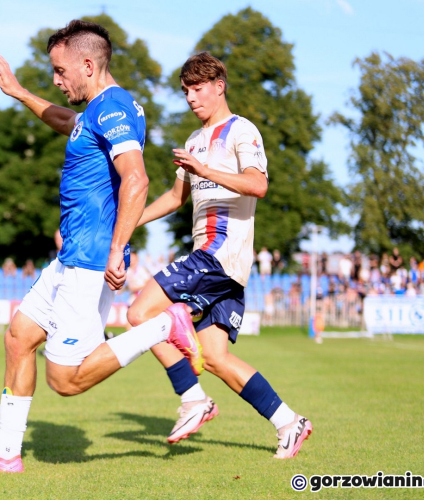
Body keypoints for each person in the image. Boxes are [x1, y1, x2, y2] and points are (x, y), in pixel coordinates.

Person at [0, 20, 197, 473]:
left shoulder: (114, 108)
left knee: (65, 381)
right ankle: (6, 455)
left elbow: (138, 178)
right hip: (71, 257)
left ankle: (163, 326)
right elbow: (67, 122)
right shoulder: (94, 112)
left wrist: (116, 250)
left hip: (90, 260)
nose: (55, 79)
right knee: (19, 337)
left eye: (59, 70)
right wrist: (21, 93)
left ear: (88, 64)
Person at [126, 51, 311, 459]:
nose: (191, 98)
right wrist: (130, 221)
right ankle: (289, 422)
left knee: (139, 314)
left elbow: (258, 185)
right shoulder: (194, 141)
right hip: (221, 265)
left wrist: (205, 170)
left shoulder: (241, 131)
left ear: (218, 86)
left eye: (198, 89)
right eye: (186, 91)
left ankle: (193, 399)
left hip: (218, 255)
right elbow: (175, 199)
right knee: (214, 357)